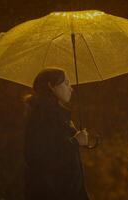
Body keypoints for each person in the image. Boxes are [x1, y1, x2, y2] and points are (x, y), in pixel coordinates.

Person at [23, 67, 90, 200]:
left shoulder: (56, 115)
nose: (71, 88)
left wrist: (75, 136)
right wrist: (75, 141)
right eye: (66, 83)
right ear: (51, 86)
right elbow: (44, 156)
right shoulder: (44, 115)